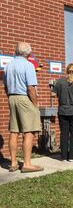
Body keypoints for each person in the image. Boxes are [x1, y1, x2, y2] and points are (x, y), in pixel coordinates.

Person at [3, 42, 43, 172]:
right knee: (29, 131)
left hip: (12, 97)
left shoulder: (8, 66)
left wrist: (10, 96)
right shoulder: (28, 65)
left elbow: (5, 86)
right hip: (24, 97)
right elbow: (31, 88)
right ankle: (27, 164)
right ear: (29, 53)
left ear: (16, 51)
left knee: (14, 131)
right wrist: (35, 104)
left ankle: (13, 163)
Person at [52, 63, 73, 161]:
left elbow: (53, 94)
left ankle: (63, 156)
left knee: (64, 133)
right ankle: (72, 156)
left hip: (63, 111)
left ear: (67, 71)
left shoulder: (59, 82)